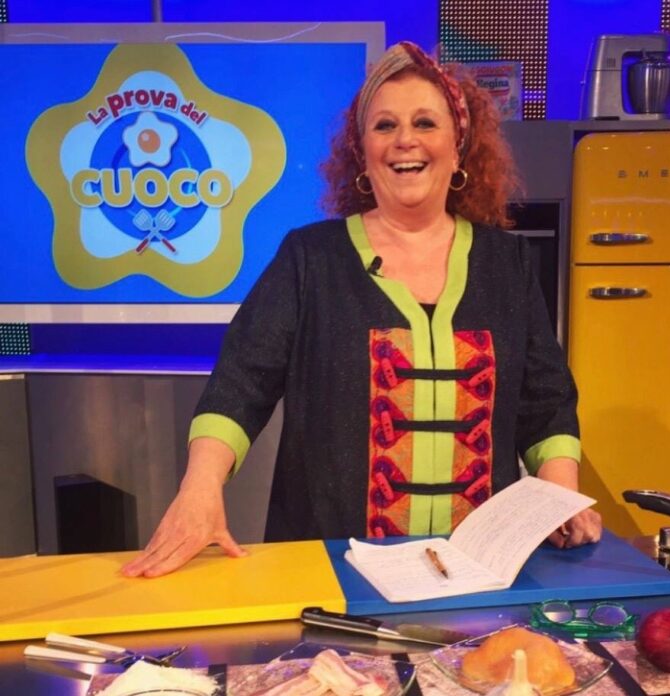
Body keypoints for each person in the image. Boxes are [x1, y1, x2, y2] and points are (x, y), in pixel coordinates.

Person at [122, 41, 601, 579]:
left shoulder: (507, 264)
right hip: (333, 571)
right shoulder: (310, 258)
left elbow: (546, 401)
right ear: (362, 153)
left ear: (458, 147)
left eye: (425, 122)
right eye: (384, 126)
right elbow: (240, 383)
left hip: (480, 571)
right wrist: (199, 488)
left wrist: (560, 499)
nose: (404, 140)